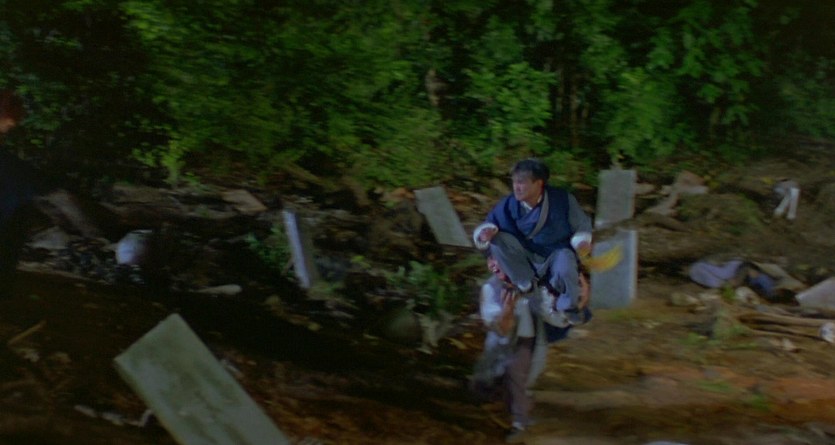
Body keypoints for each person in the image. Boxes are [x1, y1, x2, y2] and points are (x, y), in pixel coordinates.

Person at [472, 254, 588, 443]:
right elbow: (497, 326)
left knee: (516, 375)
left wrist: (576, 304)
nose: (496, 265)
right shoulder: (491, 288)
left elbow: (553, 315)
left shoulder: (534, 286)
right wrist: (507, 312)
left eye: (501, 259)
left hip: (527, 341)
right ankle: (515, 415)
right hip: (502, 346)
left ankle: (520, 421)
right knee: (499, 380)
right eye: (492, 260)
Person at [0, 89, 100, 295]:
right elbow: (58, 197)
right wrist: (92, 232)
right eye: (10, 117)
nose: (12, 125)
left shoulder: (11, 165)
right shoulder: (11, 167)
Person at [473, 158, 593, 323]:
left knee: (565, 261)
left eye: (521, 182)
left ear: (538, 183)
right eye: (514, 182)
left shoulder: (562, 200)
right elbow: (488, 225)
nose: (516, 187)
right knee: (498, 239)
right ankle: (525, 284)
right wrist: (485, 234)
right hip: (524, 259)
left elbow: (582, 225)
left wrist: (582, 242)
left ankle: (567, 306)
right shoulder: (508, 205)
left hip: (554, 255)